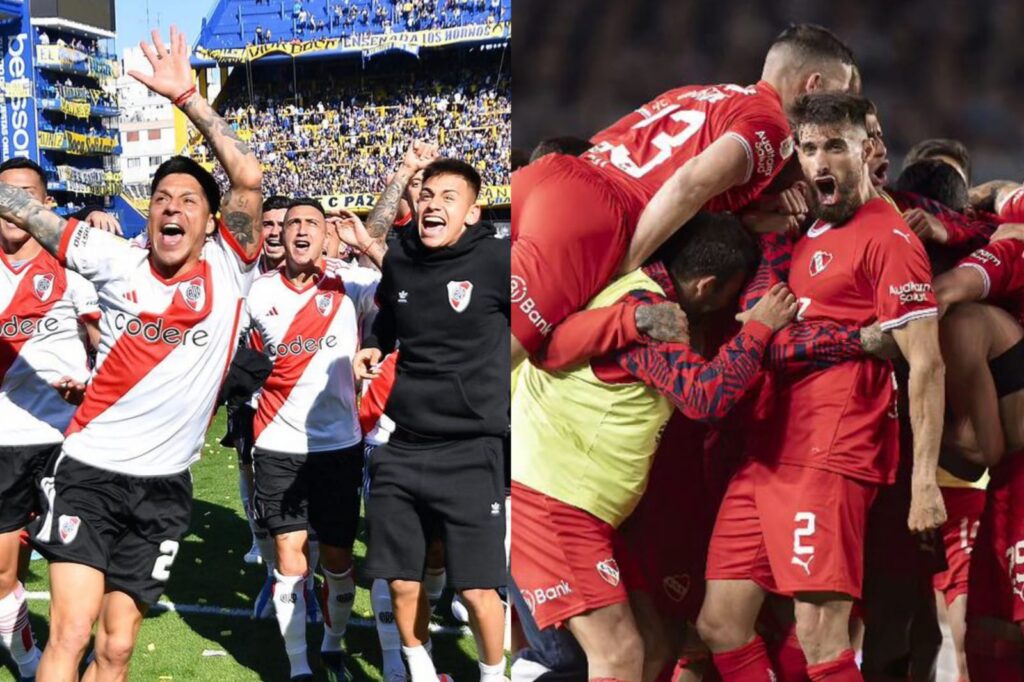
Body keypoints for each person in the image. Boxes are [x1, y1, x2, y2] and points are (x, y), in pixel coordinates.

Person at [0, 26, 264, 680]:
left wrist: (185, 97)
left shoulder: (232, 268)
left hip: (166, 488)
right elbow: (31, 215)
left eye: (188, 203)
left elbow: (249, 175)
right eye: (161, 201)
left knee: (116, 650)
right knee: (69, 636)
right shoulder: (113, 260)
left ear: (210, 223)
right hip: (89, 471)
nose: (171, 210)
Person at [697, 93, 946, 682]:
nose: (819, 161)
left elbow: (927, 364)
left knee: (822, 640)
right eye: (808, 148)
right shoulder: (809, 229)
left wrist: (924, 482)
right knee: (720, 623)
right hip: (769, 452)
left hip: (829, 455)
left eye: (835, 145)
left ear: (869, 149)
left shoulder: (888, 240)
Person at [510, 23, 856, 367]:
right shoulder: (773, 128)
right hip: (592, 215)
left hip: (551, 177)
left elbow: (607, 143)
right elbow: (689, 183)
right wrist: (626, 266)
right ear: (814, 85)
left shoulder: (699, 93)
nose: (839, 111)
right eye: (838, 95)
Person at [353, 159, 508, 682]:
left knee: (479, 588)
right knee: (399, 581)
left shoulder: (498, 260)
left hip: (471, 449)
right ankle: (420, 672)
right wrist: (373, 348)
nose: (433, 205)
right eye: (427, 195)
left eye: (448, 196)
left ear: (471, 212)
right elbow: (389, 325)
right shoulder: (399, 259)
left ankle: (493, 675)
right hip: (403, 447)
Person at [247, 199, 378, 681]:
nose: (300, 231)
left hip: (339, 448)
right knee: (289, 560)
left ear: (327, 236)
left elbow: (409, 288)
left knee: (340, 563)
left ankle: (333, 643)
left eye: (312, 224)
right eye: (293, 223)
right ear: (279, 236)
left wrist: (367, 246)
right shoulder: (256, 292)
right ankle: (299, 667)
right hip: (278, 446)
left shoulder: (352, 283)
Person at [0, 157, 102, 682]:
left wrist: (95, 381)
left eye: (24, 196)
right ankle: (27, 661)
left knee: (76, 570)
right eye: (4, 196)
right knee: (1, 573)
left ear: (44, 205)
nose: (13, 207)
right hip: (3, 445)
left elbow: (107, 342)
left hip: (66, 442)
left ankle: (80, 652)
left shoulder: (73, 267)